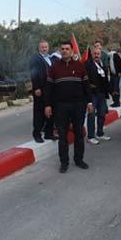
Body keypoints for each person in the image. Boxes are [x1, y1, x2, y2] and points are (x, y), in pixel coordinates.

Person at [44, 41, 94, 173]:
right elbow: (48, 88)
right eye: (62, 49)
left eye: (67, 48)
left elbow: (86, 86)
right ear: (60, 51)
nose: (65, 50)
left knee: (78, 133)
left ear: (72, 51)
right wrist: (47, 105)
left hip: (78, 105)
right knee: (62, 135)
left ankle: (79, 160)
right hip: (60, 106)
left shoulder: (80, 66)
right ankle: (64, 163)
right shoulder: (54, 68)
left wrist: (89, 102)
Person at [30, 40, 57, 143]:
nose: (44, 49)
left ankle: (48, 134)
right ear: (39, 48)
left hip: (51, 90)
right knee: (39, 113)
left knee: (50, 111)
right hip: (40, 90)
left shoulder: (51, 58)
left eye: (46, 47)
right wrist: (36, 87)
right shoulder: (35, 59)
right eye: (42, 47)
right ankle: (37, 134)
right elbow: (33, 74)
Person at [85, 43, 111, 144]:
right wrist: (89, 86)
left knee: (102, 114)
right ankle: (91, 136)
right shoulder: (87, 64)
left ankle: (100, 133)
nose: (96, 55)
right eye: (95, 53)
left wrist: (110, 90)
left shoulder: (102, 64)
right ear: (92, 54)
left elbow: (104, 79)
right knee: (91, 115)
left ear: (101, 55)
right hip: (92, 94)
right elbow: (85, 79)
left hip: (101, 94)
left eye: (98, 54)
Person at [107, 44, 121, 108]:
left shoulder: (115, 56)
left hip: (117, 74)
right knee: (111, 88)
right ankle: (115, 101)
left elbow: (119, 64)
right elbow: (110, 65)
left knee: (116, 88)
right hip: (112, 75)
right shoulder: (110, 57)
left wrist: (119, 72)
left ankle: (117, 102)